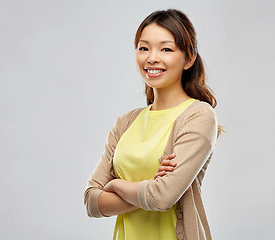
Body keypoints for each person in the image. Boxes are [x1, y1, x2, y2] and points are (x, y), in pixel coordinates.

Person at [84, 9, 225, 240]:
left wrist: (115, 185)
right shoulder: (125, 123)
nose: (152, 57)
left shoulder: (199, 116)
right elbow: (91, 201)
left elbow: (162, 198)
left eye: (166, 49)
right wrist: (148, 189)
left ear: (189, 59)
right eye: (144, 47)